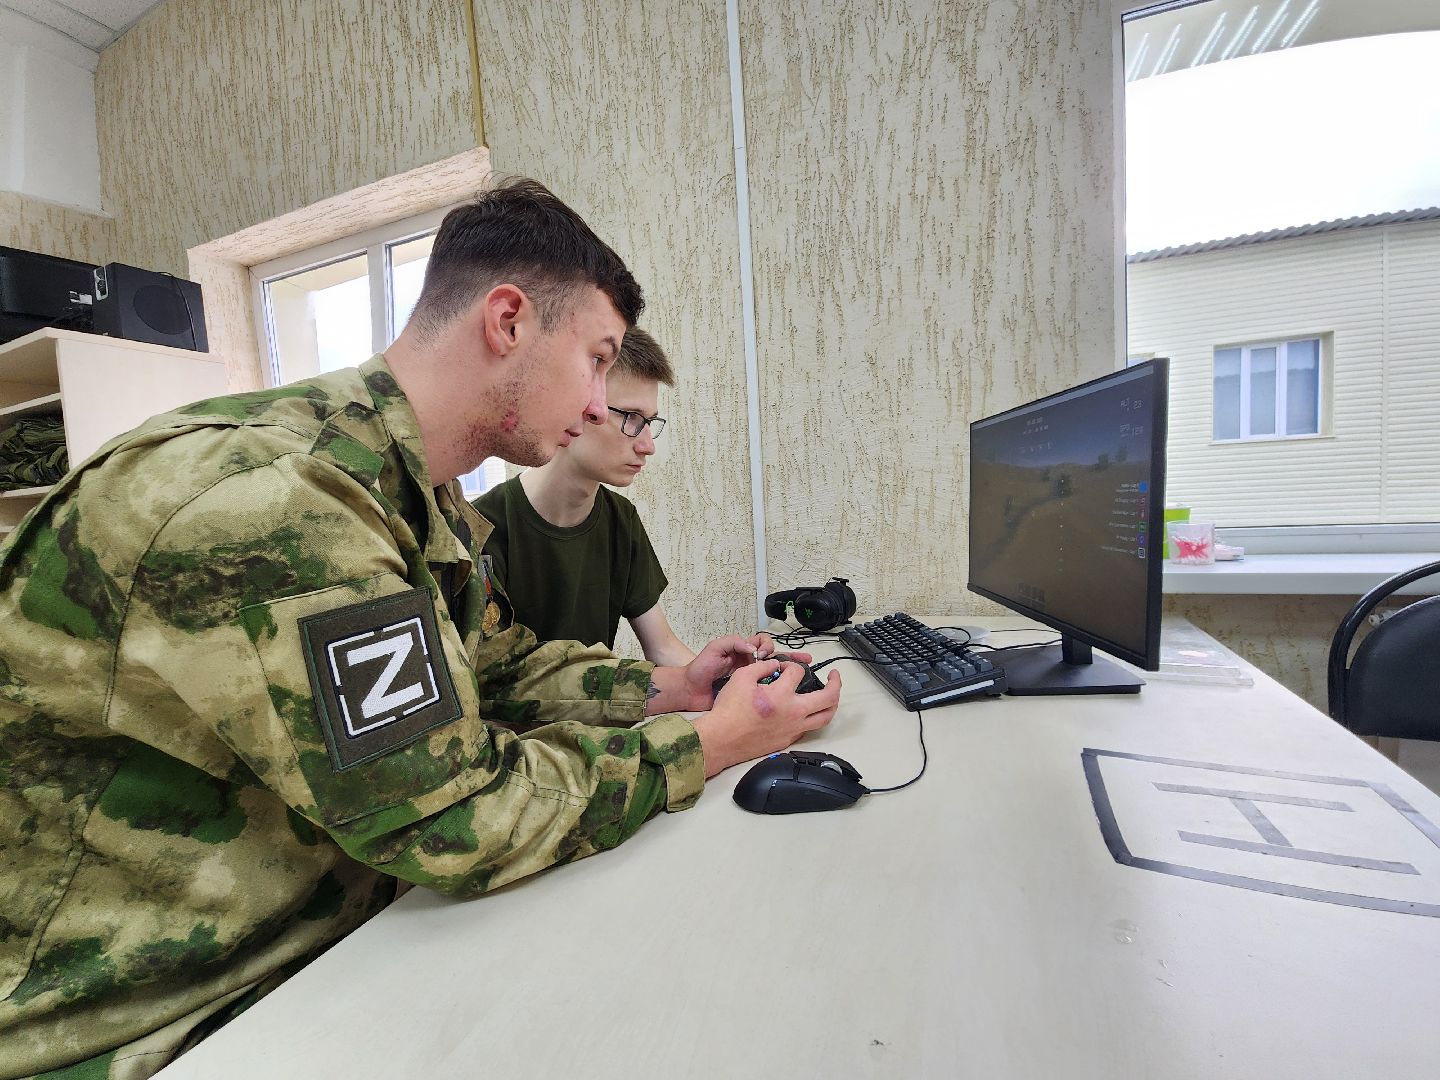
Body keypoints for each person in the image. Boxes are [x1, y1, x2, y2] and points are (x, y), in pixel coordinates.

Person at [0, 177, 841, 1079]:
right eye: (597, 360)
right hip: (146, 1022)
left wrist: (665, 687)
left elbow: (493, 664)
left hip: (314, 944)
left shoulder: (405, 486)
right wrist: (705, 745)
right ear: (508, 320)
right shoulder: (284, 506)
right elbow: (452, 814)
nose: (603, 406)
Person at [474, 325, 694, 665]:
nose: (647, 445)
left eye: (650, 421)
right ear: (583, 406)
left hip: (599, 716)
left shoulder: (621, 520)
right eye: (633, 419)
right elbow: (494, 684)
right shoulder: (482, 528)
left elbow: (663, 647)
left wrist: (728, 682)